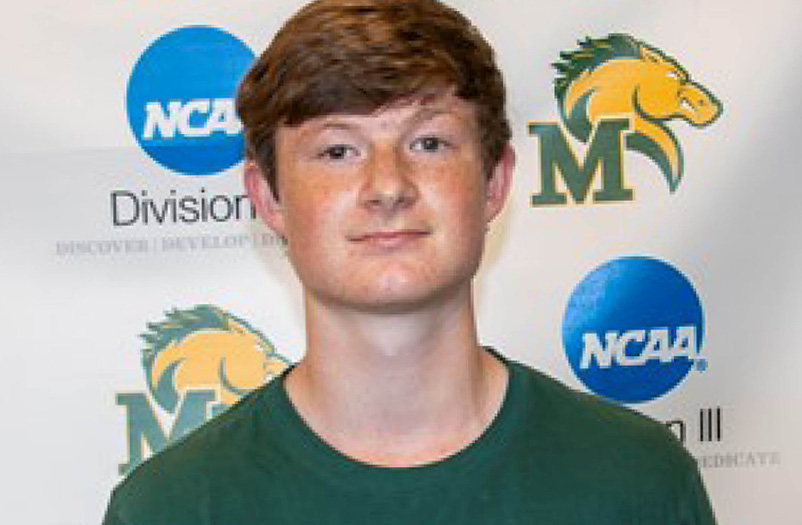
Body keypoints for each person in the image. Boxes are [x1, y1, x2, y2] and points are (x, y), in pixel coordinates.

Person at [102, 0, 717, 523]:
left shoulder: (637, 484)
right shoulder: (172, 508)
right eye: (338, 150)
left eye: (428, 143)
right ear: (268, 197)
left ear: (495, 181)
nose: (387, 186)